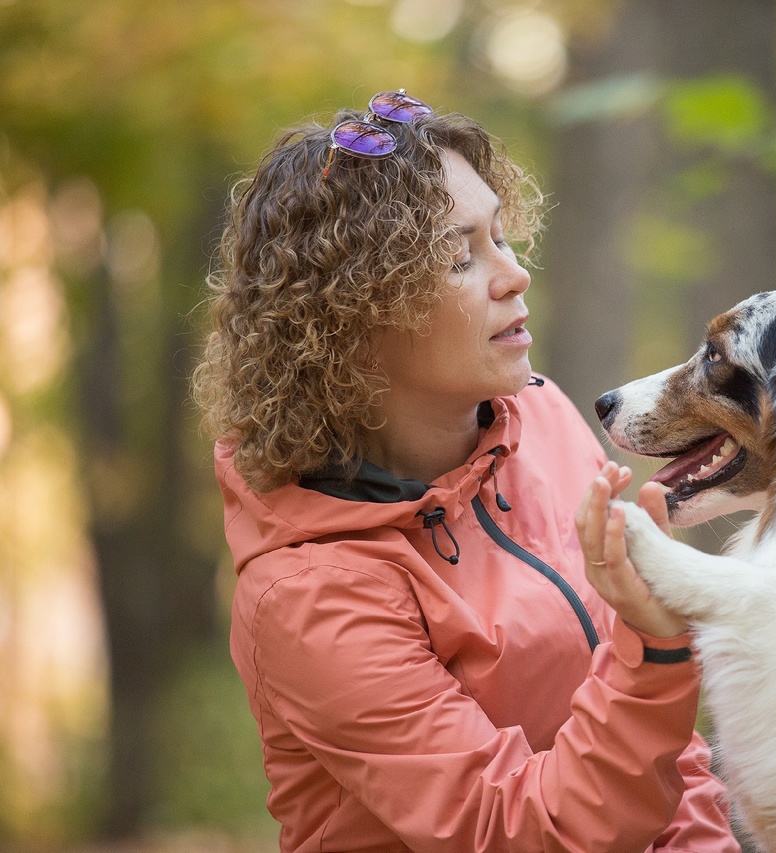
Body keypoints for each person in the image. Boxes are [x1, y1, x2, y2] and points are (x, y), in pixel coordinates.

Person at [191, 89, 741, 853]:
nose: (512, 275)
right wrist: (653, 650)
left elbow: (666, 751)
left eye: (501, 237)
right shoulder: (309, 594)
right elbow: (520, 830)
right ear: (353, 318)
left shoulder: (541, 421)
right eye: (459, 255)